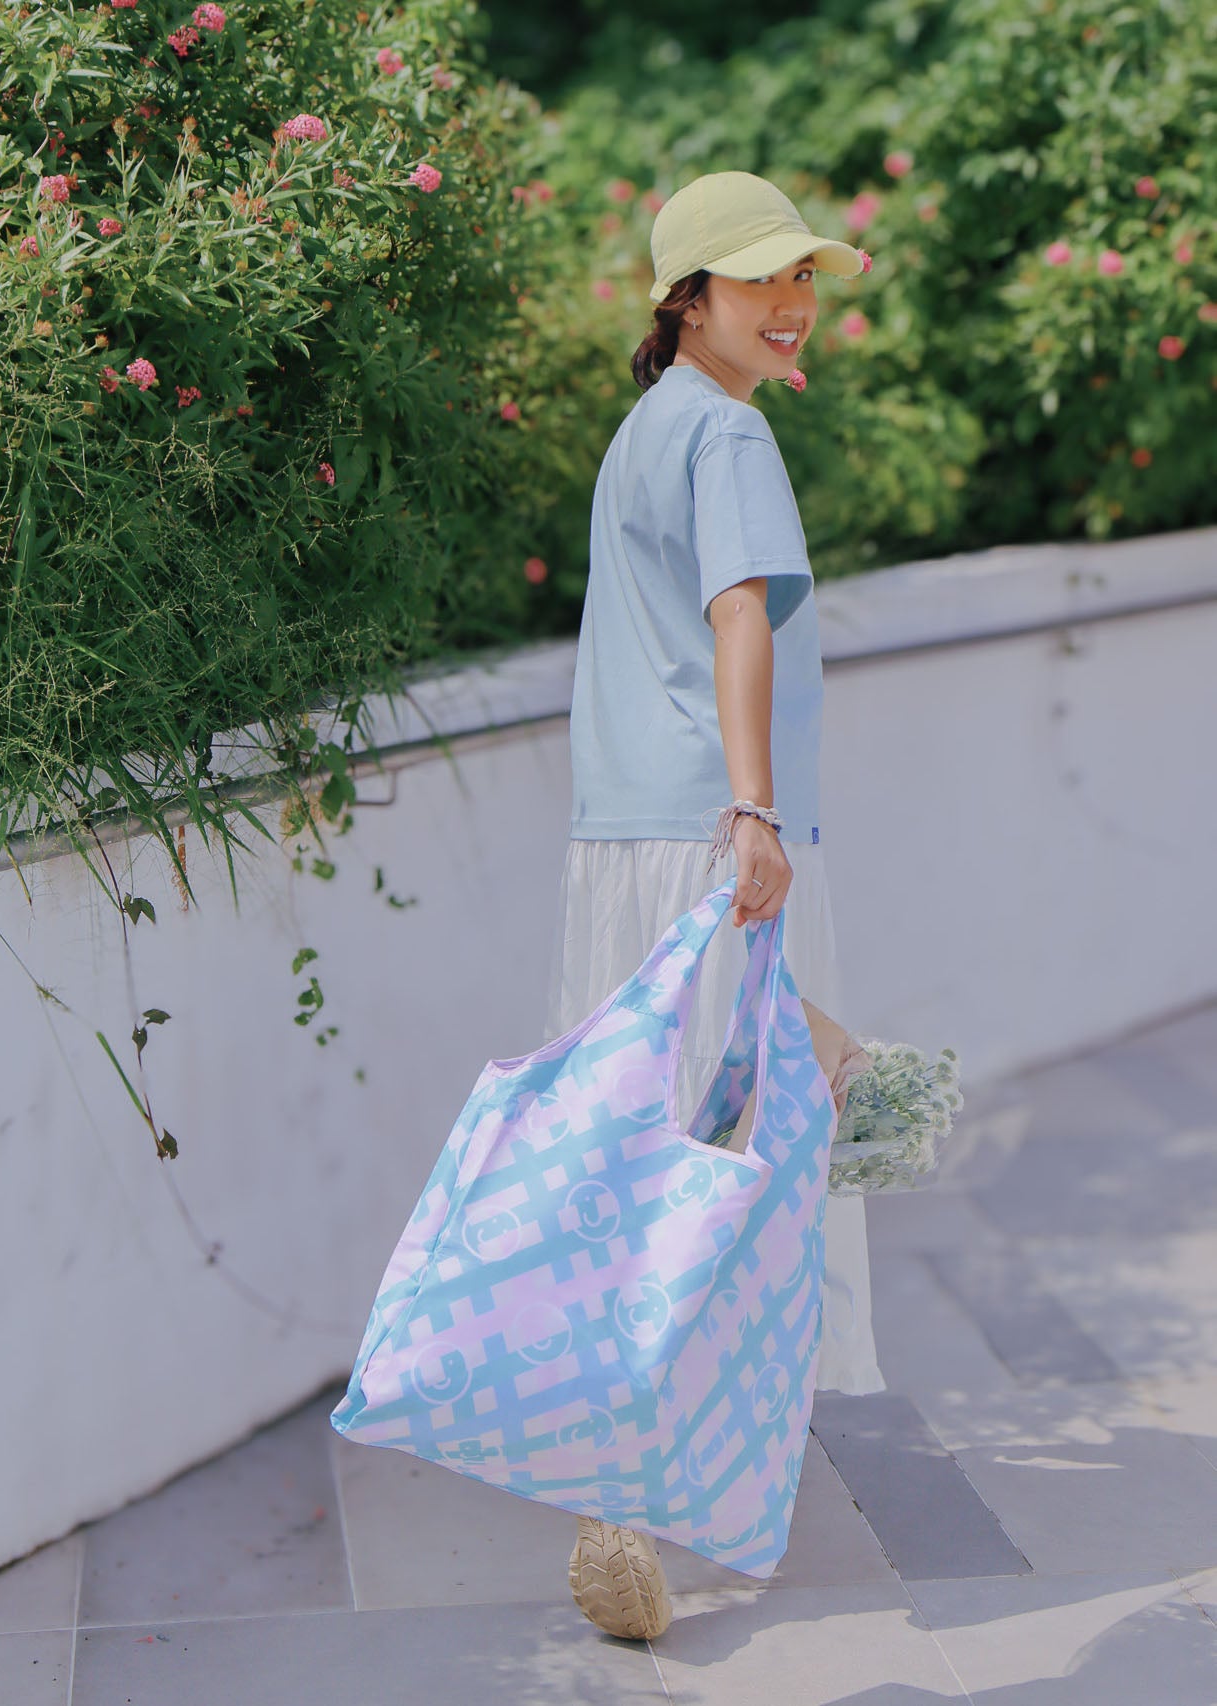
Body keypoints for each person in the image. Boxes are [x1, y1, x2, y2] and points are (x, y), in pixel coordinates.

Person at [547, 171, 887, 1642]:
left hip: (629, 832)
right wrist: (750, 808)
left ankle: (633, 1478)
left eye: (801, 275)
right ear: (686, 298)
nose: (792, 300)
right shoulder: (727, 430)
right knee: (725, 1161)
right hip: (707, 826)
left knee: (665, 1145)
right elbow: (735, 612)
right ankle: (623, 1493)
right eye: (759, 280)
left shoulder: (646, 430)